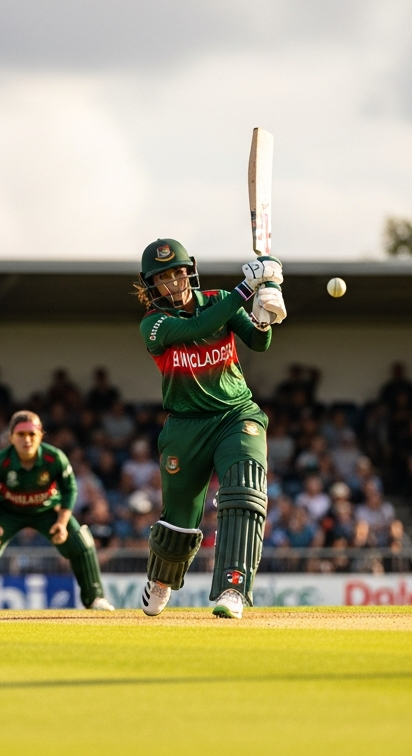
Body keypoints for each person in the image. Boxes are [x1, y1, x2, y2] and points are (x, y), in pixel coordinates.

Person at [132, 238, 286, 619]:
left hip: (236, 413)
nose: (174, 281)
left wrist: (264, 316)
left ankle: (234, 588)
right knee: (179, 520)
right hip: (185, 426)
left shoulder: (218, 298)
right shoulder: (154, 324)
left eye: (178, 272)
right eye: (163, 277)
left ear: (190, 270)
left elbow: (257, 342)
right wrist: (247, 288)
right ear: (151, 285)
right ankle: (162, 578)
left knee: (244, 489)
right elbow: (199, 327)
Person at [0, 411, 113, 611]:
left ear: (41, 435)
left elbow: (69, 489)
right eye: (21, 434)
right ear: (11, 438)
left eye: (32, 434)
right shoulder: (1, 461)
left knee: (82, 543)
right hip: (8, 512)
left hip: (47, 510)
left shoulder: (54, 458)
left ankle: (95, 599)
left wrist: (61, 522)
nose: (27, 440)